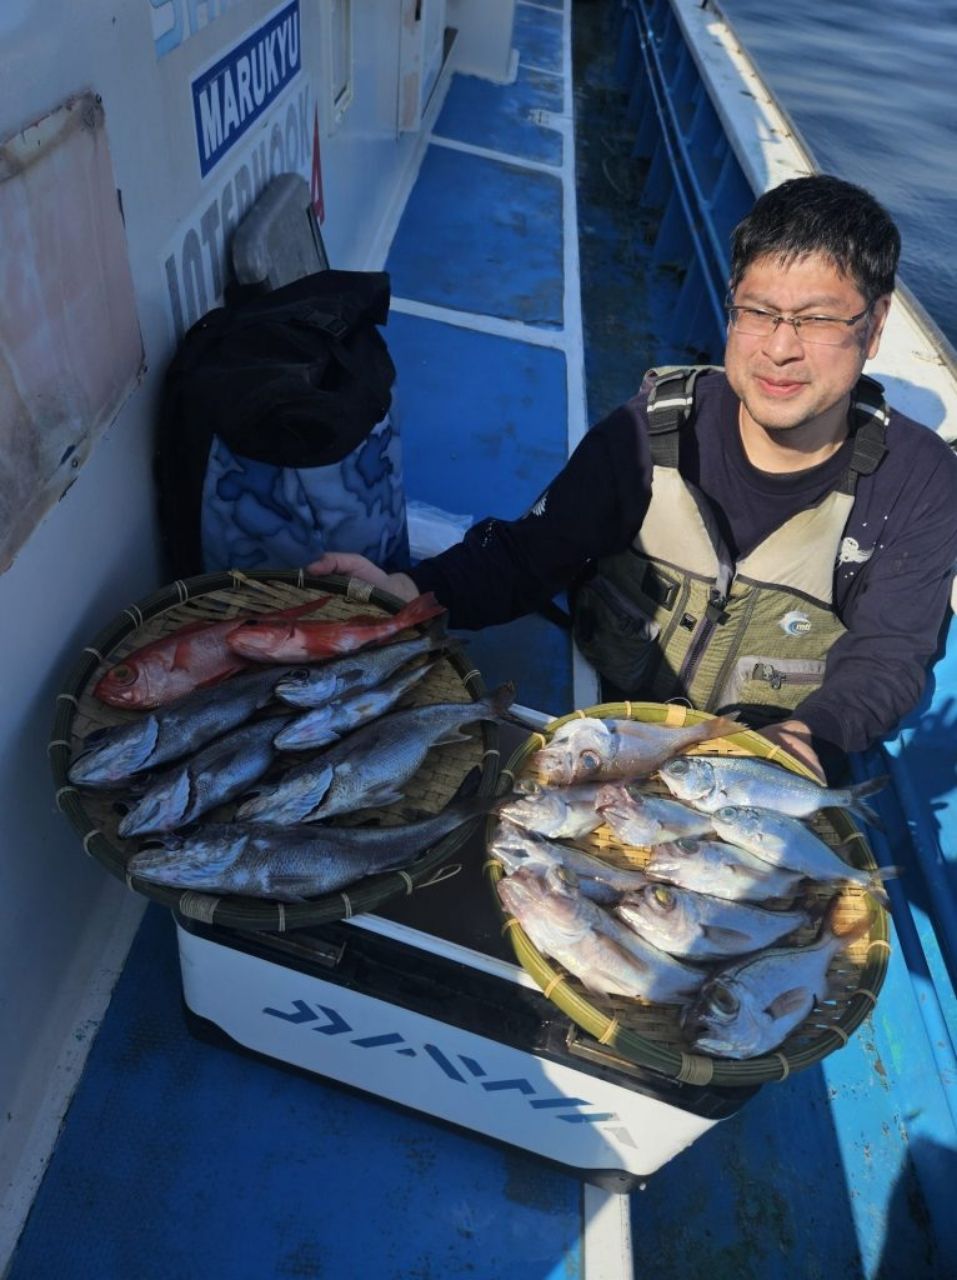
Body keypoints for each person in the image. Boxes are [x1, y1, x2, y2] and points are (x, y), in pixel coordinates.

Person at [308, 175, 957, 783]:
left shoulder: (917, 482)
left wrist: (810, 735)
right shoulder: (650, 433)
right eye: (757, 310)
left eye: (816, 319)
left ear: (872, 327)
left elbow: (887, 655)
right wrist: (410, 590)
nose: (779, 348)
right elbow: (528, 556)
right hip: (605, 714)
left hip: (757, 754)